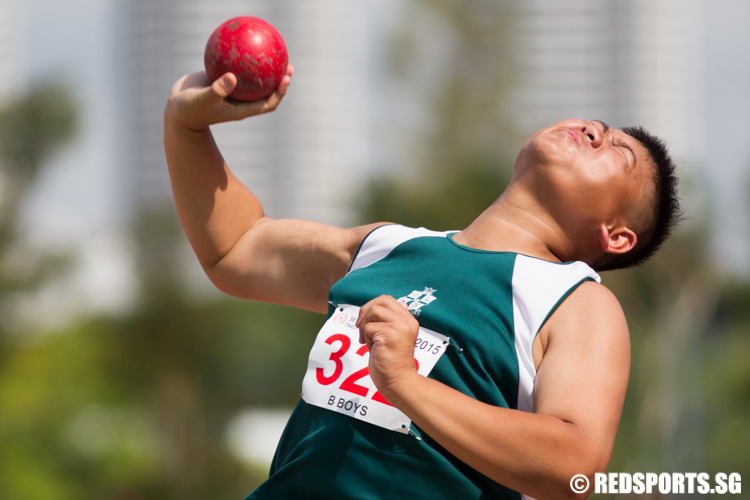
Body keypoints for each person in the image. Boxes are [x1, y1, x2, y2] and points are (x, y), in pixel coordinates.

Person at [163, 66, 680, 500]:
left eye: (618, 150)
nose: (594, 129)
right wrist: (185, 127)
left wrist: (407, 384)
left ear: (616, 236)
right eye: (599, 124)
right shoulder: (387, 246)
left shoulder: (576, 303)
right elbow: (236, 248)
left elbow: (575, 465)